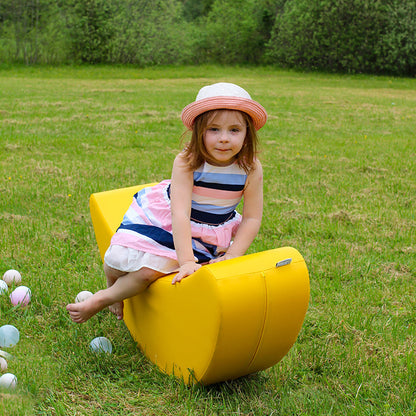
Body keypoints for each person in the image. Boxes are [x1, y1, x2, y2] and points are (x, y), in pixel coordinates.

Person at [67, 82, 267, 323]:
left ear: (247, 133)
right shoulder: (187, 162)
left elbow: (252, 217)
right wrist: (186, 262)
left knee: (148, 273)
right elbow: (180, 214)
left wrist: (233, 254)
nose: (224, 139)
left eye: (234, 130)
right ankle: (109, 288)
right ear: (199, 131)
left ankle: (104, 297)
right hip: (169, 223)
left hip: (210, 232)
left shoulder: (251, 168)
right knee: (120, 262)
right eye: (214, 129)